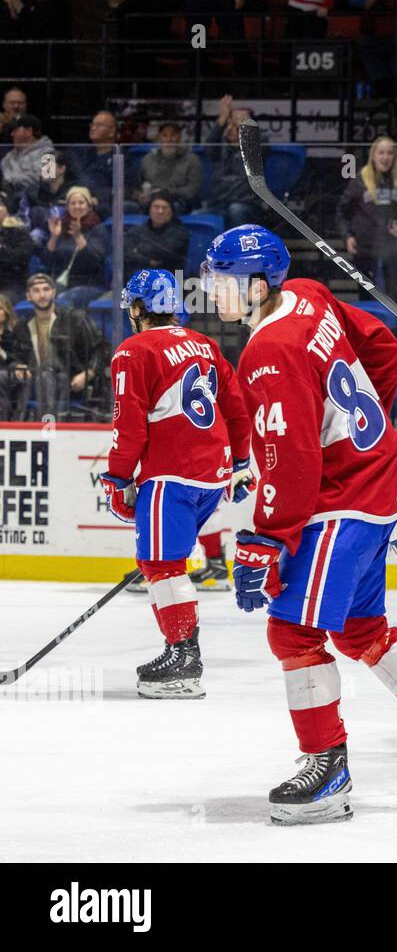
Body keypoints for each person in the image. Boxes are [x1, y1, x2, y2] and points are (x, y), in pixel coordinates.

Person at [204, 223, 397, 822]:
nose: (215, 293)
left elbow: (288, 461)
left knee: (293, 634)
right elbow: (383, 348)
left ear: (259, 283)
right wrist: (364, 432)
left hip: (342, 498)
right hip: (376, 481)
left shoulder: (268, 351)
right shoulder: (310, 295)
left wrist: (265, 541)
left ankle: (328, 768)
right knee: (361, 630)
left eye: (224, 282)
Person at [99, 269, 251, 699]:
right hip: (213, 475)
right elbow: (237, 408)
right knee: (158, 563)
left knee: (164, 566)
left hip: (172, 475)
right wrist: (240, 461)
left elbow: (127, 426)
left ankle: (183, 659)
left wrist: (116, 477)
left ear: (139, 308)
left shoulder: (134, 351)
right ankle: (180, 650)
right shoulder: (204, 344)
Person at [337, 136, 397, 295]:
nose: (385, 157)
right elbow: (341, 212)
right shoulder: (359, 182)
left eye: (389, 153)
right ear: (373, 155)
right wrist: (347, 236)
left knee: (393, 297)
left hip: (393, 249)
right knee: (367, 296)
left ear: (395, 157)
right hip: (365, 249)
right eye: (381, 153)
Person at [23, 273, 107, 420]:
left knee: (48, 375)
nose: (42, 295)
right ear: (28, 296)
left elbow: (102, 349)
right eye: (36, 290)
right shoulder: (23, 324)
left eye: (46, 289)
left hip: (70, 379)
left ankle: (51, 427)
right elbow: (15, 354)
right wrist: (18, 364)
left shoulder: (75, 319)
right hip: (30, 383)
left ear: (54, 292)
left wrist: (88, 373)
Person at [39, 185, 109, 311]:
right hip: (61, 282)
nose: (77, 206)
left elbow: (94, 262)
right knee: (42, 298)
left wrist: (78, 236)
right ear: (67, 207)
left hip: (89, 283)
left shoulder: (98, 229)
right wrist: (54, 237)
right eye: (73, 203)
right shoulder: (61, 227)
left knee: (64, 300)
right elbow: (47, 261)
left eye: (81, 202)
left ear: (88, 206)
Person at [204, 95, 261, 228]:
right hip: (219, 203)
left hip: (246, 204)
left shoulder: (257, 148)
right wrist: (222, 118)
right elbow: (209, 146)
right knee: (197, 215)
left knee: (235, 210)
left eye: (241, 121)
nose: (233, 125)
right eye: (231, 122)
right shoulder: (220, 149)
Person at [134, 122, 203, 213]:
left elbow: (192, 190)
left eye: (173, 135)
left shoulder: (192, 160)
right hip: (151, 203)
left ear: (179, 137)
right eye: (164, 135)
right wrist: (140, 195)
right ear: (159, 138)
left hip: (179, 202)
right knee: (130, 207)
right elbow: (138, 186)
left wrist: (165, 192)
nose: (169, 139)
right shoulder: (148, 159)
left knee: (173, 207)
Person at [124, 194, 190, 276]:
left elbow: (162, 252)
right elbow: (124, 251)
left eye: (165, 208)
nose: (160, 211)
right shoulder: (138, 230)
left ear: (171, 212)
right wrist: (148, 261)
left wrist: (138, 249)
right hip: (139, 280)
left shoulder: (180, 233)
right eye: (156, 207)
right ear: (149, 210)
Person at [71, 110, 120, 208]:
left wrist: (100, 199)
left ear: (112, 131)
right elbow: (52, 156)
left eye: (99, 125)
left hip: (101, 204)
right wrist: (48, 175)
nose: (93, 128)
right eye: (92, 125)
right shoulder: (80, 151)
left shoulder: (120, 156)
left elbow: (124, 188)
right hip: (74, 200)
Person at [1, 114, 54, 199]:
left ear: (28, 132)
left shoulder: (49, 154)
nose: (12, 134)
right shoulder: (10, 156)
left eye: (15, 130)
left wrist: (10, 182)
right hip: (8, 200)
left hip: (36, 202)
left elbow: (47, 180)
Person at [0, 293, 34, 419]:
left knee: (8, 376)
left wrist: (3, 354)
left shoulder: (17, 329)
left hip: (13, 370)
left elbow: (23, 355)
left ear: (7, 311)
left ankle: (12, 421)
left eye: (0, 308)